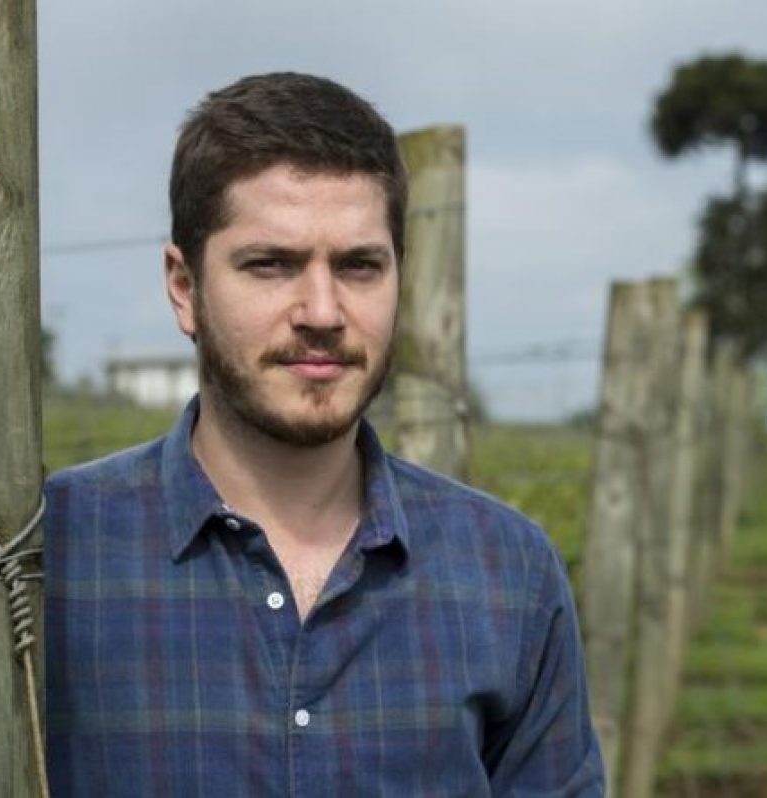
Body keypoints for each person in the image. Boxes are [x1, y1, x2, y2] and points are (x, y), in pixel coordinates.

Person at [44, 72, 604, 796]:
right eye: (271, 265)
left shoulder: (509, 575)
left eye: (358, 266)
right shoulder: (56, 554)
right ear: (185, 288)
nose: (322, 311)